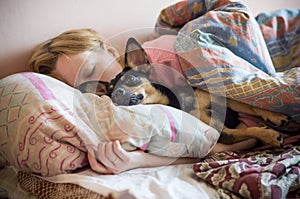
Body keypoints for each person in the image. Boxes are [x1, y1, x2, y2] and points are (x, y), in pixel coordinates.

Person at [29, 28, 257, 174]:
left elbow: (247, 117)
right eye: (85, 84)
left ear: (109, 50)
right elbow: (188, 146)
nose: (99, 83)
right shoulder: (118, 112)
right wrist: (136, 161)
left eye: (92, 68)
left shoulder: (164, 61)